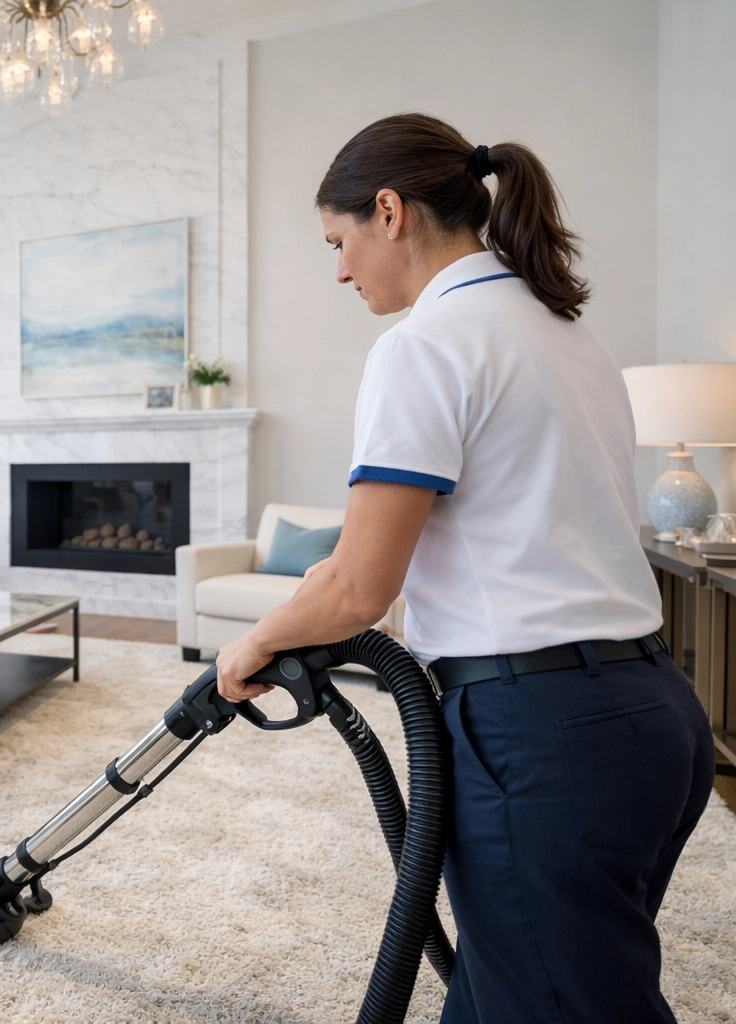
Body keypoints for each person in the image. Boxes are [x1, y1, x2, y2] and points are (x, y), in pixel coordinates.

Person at [213, 113, 714, 1023]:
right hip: (654, 716)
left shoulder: (424, 346)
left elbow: (359, 585)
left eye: (339, 240)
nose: (338, 269)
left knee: (557, 994)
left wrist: (251, 642)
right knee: (515, 976)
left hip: (542, 733)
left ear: (390, 212)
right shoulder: (563, 330)